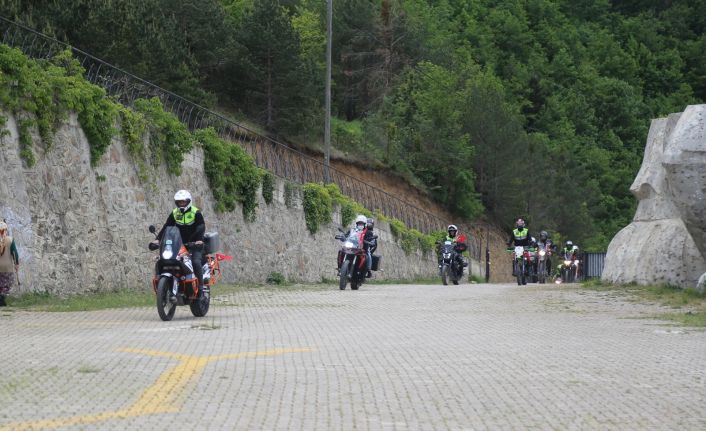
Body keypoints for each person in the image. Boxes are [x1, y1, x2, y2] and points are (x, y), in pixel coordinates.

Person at [151, 190, 207, 298]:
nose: (181, 204)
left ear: (188, 201)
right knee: (166, 260)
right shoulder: (175, 213)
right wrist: (158, 240)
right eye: (179, 202)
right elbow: (167, 226)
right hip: (179, 244)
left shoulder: (195, 212)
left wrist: (199, 240)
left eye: (183, 202)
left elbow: (201, 226)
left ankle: (200, 288)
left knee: (195, 262)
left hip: (194, 244)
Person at [0, 221, 19, 307]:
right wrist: (16, 264)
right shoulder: (10, 240)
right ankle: (2, 298)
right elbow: (15, 253)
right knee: (8, 283)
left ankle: (1, 300)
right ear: (6, 230)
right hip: (7, 267)